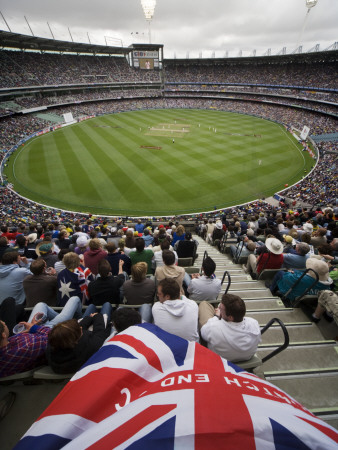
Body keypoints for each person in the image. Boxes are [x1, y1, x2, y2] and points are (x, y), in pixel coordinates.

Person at [0, 296, 82, 378]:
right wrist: (34, 328)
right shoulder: (24, 349)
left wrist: (30, 328)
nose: (4, 322)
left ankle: (69, 320)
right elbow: (53, 337)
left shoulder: (6, 346)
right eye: (3, 324)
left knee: (40, 305)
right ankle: (77, 321)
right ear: (3, 335)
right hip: (51, 331)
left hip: (35, 333)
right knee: (74, 299)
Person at [46, 304, 112, 374]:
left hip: (67, 369)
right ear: (76, 339)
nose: (80, 327)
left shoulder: (53, 347)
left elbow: (75, 330)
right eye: (79, 329)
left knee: (91, 306)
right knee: (106, 305)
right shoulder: (90, 346)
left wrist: (89, 318)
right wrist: (97, 316)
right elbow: (100, 332)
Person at [199, 294, 261, 362]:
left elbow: (203, 333)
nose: (219, 308)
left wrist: (217, 316)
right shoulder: (254, 324)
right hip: (246, 358)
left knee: (204, 304)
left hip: (219, 361)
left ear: (230, 317)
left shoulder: (213, 327)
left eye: (221, 308)